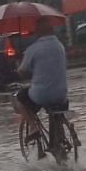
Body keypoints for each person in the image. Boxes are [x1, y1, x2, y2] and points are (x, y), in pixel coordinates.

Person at [13, 18, 69, 155]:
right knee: (56, 112)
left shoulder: (33, 49)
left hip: (41, 94)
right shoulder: (60, 46)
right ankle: (60, 136)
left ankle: (33, 127)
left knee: (20, 99)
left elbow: (22, 72)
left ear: (38, 31)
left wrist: (18, 65)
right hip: (62, 95)